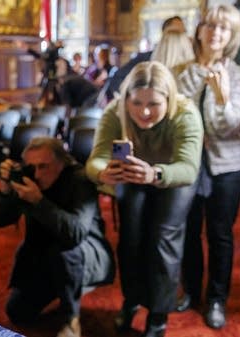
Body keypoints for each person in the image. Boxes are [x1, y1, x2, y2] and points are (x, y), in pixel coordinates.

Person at [86, 61, 203, 337]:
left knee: (163, 240)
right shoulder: (115, 111)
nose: (144, 112)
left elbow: (188, 169)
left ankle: (159, 313)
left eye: (154, 104)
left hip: (172, 175)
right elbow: (95, 160)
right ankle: (132, 300)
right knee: (131, 239)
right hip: (133, 173)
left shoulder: (186, 113)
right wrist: (103, 172)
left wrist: (155, 173)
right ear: (126, 99)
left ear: (169, 99)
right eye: (136, 103)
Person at [0, 137, 115, 337]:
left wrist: (39, 201)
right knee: (17, 313)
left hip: (86, 254)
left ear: (62, 163)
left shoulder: (80, 180)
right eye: (32, 167)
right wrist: (6, 190)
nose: (37, 174)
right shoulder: (29, 177)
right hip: (43, 257)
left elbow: (75, 235)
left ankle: (71, 319)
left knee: (63, 251)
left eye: (44, 167)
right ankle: (59, 285)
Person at [176, 5, 240, 330]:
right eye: (211, 26)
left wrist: (221, 96)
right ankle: (191, 290)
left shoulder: (236, 74)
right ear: (200, 30)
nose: (216, 33)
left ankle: (217, 299)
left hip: (227, 166)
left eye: (224, 28)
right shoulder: (183, 71)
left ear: (231, 35)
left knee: (220, 234)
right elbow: (177, 115)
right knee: (189, 231)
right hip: (190, 164)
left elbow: (230, 125)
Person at [106, 15, 186, 100]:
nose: (178, 37)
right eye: (173, 32)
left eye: (182, 32)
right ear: (164, 34)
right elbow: (118, 79)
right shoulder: (146, 59)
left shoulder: (190, 63)